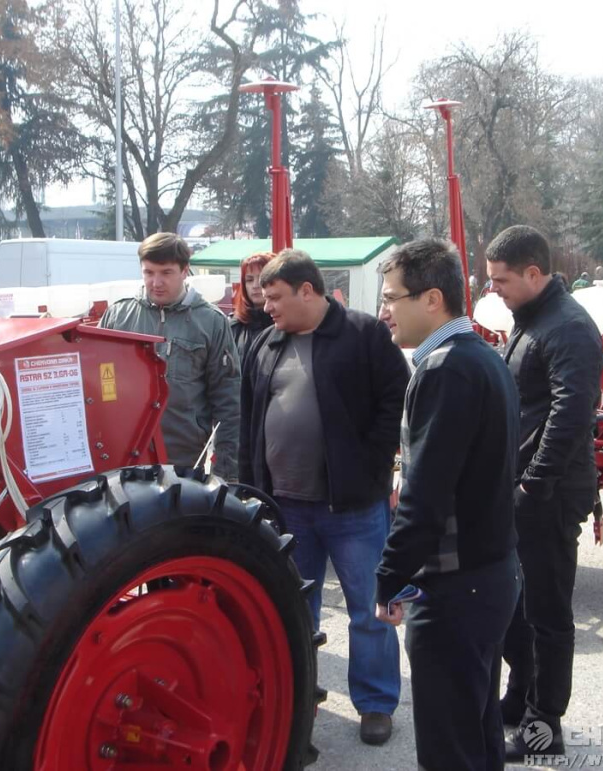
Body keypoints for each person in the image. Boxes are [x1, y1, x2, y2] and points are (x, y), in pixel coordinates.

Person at [239, 249, 409, 746]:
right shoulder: (266, 345)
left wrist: (371, 464)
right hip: (285, 508)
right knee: (295, 610)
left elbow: (394, 403)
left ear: (307, 291)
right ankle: (300, 698)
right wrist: (249, 487)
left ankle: (375, 704)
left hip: (353, 507)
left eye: (274, 297)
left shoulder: (364, 335)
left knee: (368, 609)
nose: (265, 306)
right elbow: (248, 421)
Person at [374, 238, 522, 770]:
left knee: (449, 748)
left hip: (458, 588)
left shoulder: (444, 367)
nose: (384, 310)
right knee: (476, 733)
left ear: (432, 298)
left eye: (392, 298)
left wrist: (389, 577)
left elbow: (425, 495)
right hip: (487, 576)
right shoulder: (479, 356)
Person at [485, 225, 603, 761]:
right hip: (524, 488)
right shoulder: (531, 320)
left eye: (502, 280)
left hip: (548, 494)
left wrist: (533, 483)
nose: (495, 291)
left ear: (534, 273)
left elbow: (570, 415)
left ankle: (543, 724)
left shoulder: (569, 328)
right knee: (517, 608)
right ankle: (520, 696)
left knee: (547, 613)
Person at [100, 232, 240, 478]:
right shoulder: (117, 317)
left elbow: (227, 401)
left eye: (166, 273)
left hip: (186, 460)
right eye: (149, 273)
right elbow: (96, 386)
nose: (156, 282)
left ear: (185, 271)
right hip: (126, 457)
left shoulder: (211, 322)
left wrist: (224, 472)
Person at [229, 252, 275, 362]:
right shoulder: (234, 327)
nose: (255, 285)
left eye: (262, 279)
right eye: (249, 280)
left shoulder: (288, 324)